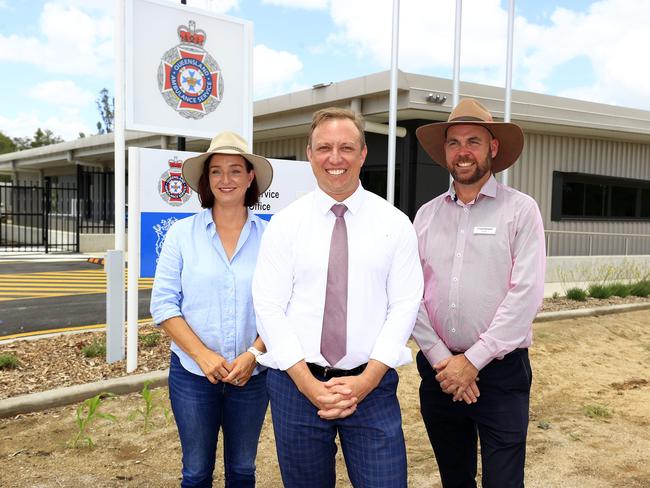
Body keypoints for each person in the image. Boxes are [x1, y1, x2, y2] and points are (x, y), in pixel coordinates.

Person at [252, 107, 423, 488]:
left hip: (372, 388)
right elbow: (268, 306)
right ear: (310, 154)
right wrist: (306, 383)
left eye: (347, 147)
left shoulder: (395, 224)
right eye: (324, 147)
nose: (335, 158)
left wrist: (367, 379)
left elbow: (404, 306)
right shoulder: (285, 225)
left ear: (363, 154)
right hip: (296, 387)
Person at [412, 98, 546, 488]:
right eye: (454, 143)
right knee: (454, 478)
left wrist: (473, 360)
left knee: (503, 481)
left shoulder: (521, 211)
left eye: (473, 141)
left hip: (501, 374)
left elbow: (526, 294)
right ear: (445, 153)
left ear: (493, 148)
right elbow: (409, 294)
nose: (463, 151)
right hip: (440, 374)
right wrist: (443, 360)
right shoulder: (426, 215)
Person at [150, 131, 274, 488]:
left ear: (250, 177)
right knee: (196, 471)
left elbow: (283, 307)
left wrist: (253, 354)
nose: (226, 180)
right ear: (206, 179)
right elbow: (163, 304)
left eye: (235, 170)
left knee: (242, 469)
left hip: (252, 377)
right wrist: (203, 355)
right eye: (216, 171)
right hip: (192, 375)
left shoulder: (271, 238)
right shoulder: (180, 234)